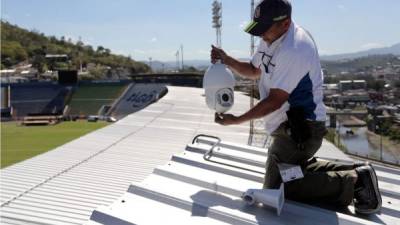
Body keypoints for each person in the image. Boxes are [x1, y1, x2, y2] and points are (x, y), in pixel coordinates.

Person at [210, 0, 381, 214]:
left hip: (301, 130)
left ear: (285, 24)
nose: (261, 36)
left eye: (265, 30)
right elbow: (254, 70)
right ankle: (356, 172)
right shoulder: (272, 37)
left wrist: (236, 120)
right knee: (291, 172)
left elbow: (275, 101)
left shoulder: (295, 49)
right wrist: (227, 60)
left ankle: (353, 182)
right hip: (290, 126)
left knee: (277, 188)